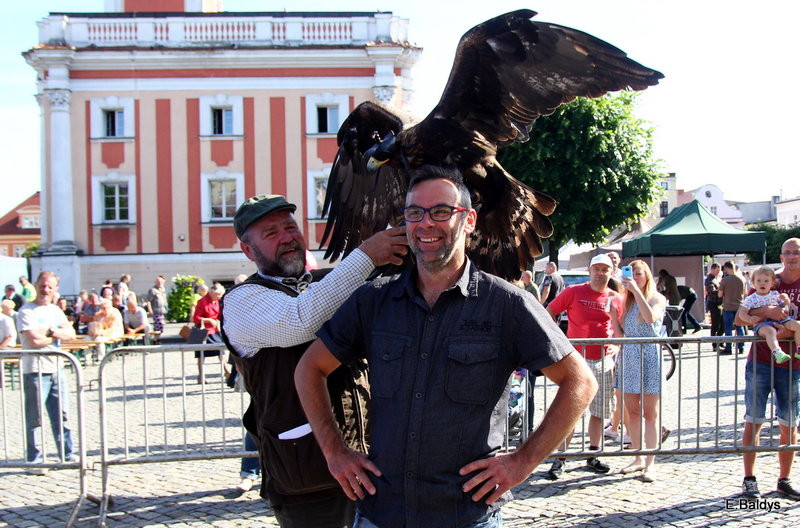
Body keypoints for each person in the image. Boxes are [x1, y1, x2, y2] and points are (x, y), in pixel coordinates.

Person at [294, 166, 596, 528]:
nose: (425, 224)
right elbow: (309, 369)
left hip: (466, 514)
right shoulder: (372, 301)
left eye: (440, 211)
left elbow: (580, 382)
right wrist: (334, 451)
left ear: (468, 221)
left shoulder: (506, 305)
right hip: (381, 512)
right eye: (414, 213)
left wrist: (522, 462)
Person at [220, 193, 408, 528]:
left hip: (373, 463)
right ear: (248, 251)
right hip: (308, 478)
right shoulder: (241, 301)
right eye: (271, 233)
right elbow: (299, 321)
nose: (287, 237)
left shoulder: (326, 283)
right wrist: (366, 255)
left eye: (290, 227)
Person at [544, 253, 623, 479]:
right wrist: (557, 339)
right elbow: (550, 311)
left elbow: (620, 329)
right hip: (576, 359)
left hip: (603, 360)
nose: (600, 273)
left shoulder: (615, 297)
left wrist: (616, 346)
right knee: (571, 410)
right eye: (596, 269)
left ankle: (593, 454)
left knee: (599, 410)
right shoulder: (574, 291)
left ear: (611, 272)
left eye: (604, 269)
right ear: (590, 271)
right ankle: (561, 458)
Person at [736, 238, 800, 501]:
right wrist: (771, 313)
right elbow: (742, 314)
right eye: (788, 252)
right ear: (781, 256)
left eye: (797, 252)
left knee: (789, 423)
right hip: (760, 361)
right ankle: (749, 479)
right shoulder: (768, 278)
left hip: (794, 365)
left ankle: (784, 479)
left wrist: (778, 319)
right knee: (754, 420)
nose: (792, 256)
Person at [610, 260, 667, 482]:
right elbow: (621, 335)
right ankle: (637, 456)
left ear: (647, 276)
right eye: (631, 273)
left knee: (650, 413)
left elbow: (651, 318)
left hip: (650, 357)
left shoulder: (657, 298)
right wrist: (614, 315)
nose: (635, 277)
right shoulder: (627, 301)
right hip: (630, 356)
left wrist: (635, 290)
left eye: (639, 274)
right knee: (632, 411)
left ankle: (650, 462)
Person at [18, 271, 77, 474]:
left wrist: (50, 333)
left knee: (61, 415)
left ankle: (67, 454)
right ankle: (34, 459)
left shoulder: (55, 311)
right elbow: (33, 340)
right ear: (36, 286)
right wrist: (54, 334)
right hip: (35, 369)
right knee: (35, 417)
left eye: (50, 287)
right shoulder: (26, 311)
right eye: (43, 286)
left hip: (56, 367)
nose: (46, 290)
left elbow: (71, 334)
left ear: (55, 290)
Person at [737, 266, 800, 364]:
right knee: (770, 331)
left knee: (798, 325)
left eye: (766, 281)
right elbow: (742, 313)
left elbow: (785, 309)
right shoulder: (751, 298)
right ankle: (777, 353)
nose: (762, 283)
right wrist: (749, 319)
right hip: (763, 324)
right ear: (753, 283)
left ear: (772, 283)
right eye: (759, 280)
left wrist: (786, 301)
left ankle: (799, 349)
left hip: (781, 321)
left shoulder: (775, 294)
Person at [192, 282, 229, 384]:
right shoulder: (202, 302)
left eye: (221, 295)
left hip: (214, 331)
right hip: (202, 331)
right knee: (201, 355)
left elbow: (219, 315)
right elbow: (196, 318)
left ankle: (226, 371)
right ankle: (201, 376)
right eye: (218, 295)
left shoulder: (217, 301)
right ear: (212, 293)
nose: (220, 297)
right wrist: (208, 320)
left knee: (221, 352)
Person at [719, 261, 746, 355]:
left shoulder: (725, 280)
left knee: (728, 328)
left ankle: (728, 348)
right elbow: (745, 293)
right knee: (740, 327)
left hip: (728, 306)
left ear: (726, 268)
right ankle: (741, 347)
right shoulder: (742, 279)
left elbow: (720, 294)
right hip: (739, 306)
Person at [705, 263, 724, 350]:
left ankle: (719, 342)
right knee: (715, 325)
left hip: (719, 303)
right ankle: (714, 344)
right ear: (713, 269)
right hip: (714, 303)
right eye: (718, 270)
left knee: (721, 324)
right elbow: (712, 291)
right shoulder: (709, 279)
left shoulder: (715, 278)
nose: (719, 272)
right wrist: (722, 290)